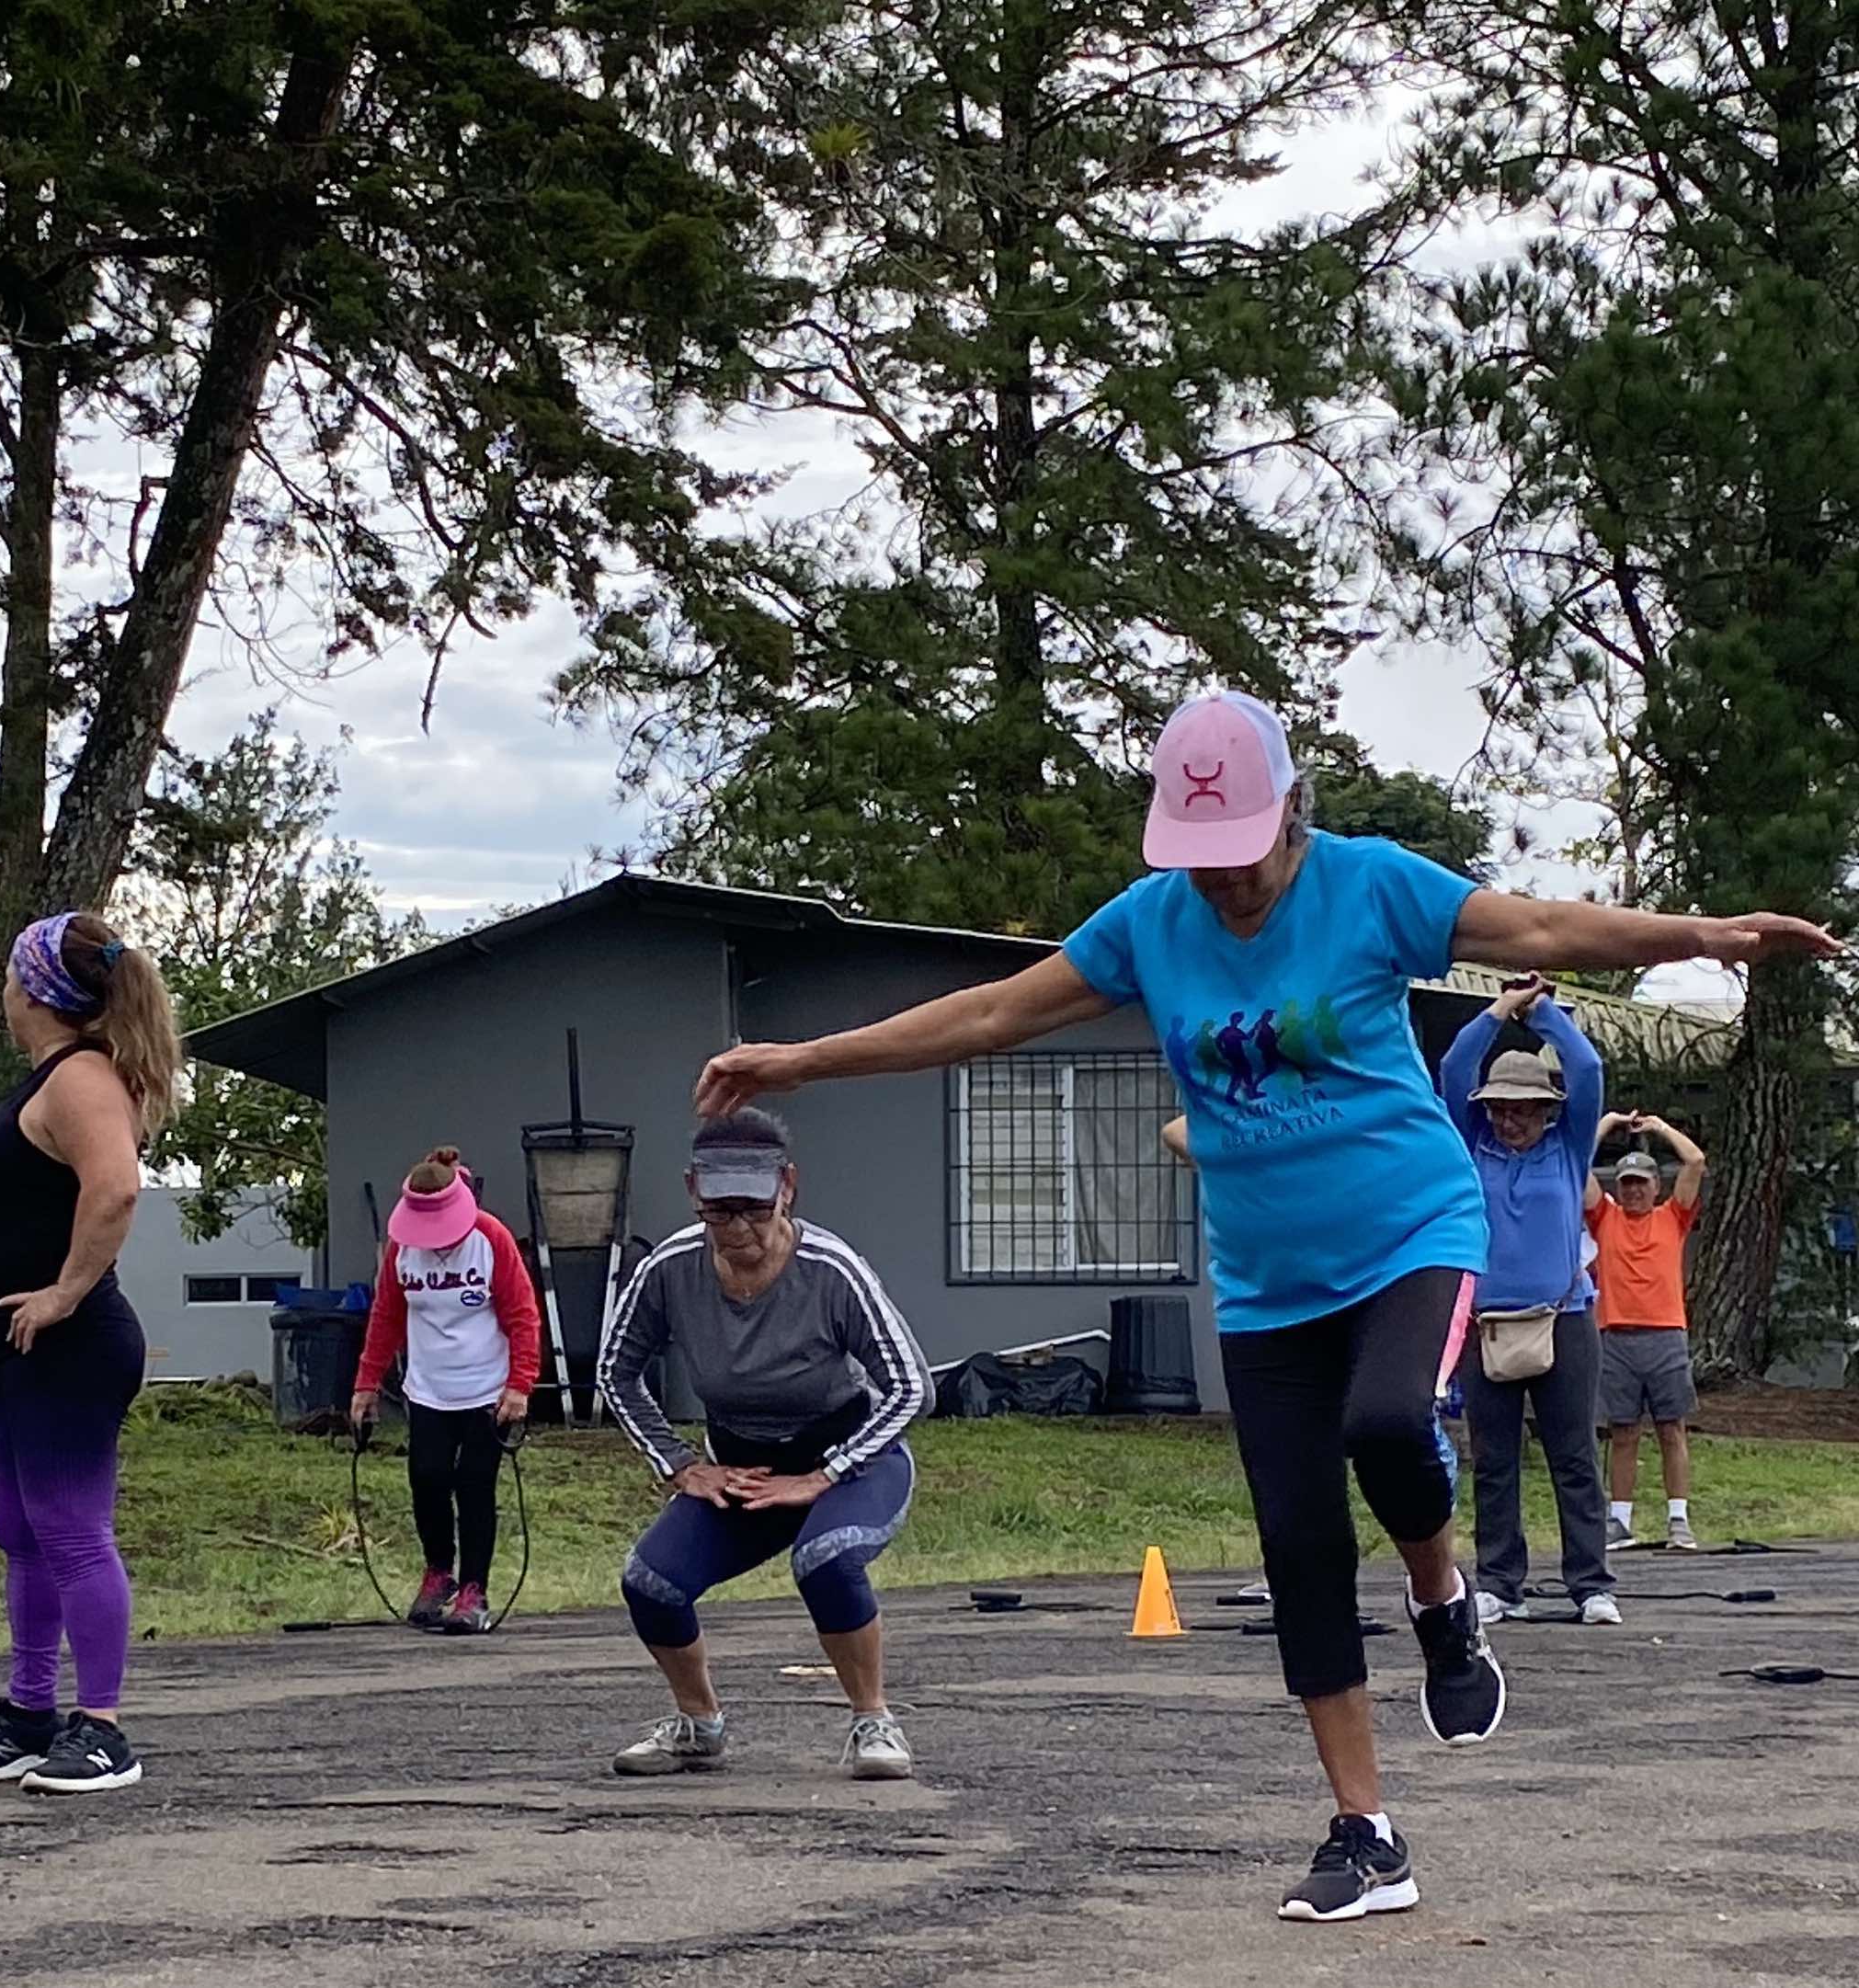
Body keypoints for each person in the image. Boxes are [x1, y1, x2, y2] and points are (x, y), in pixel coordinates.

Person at [693, 690, 1837, 1924]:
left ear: (1293, 811)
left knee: (1391, 1423)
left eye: (1243, 855)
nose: (1226, 886)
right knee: (1297, 1547)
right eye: (1200, 863)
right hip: (1267, 1281)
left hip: (1412, 1234)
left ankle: (1444, 1601)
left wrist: (1706, 933)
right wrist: (801, 1058)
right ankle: (1367, 1833)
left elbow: (1545, 924)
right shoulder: (1151, 925)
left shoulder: (1371, 886)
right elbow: (988, 1012)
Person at [0, 910, 182, 1796]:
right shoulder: (48, 1084)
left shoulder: (83, 1079)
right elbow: (14, 1188)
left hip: (74, 1345)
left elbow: (115, 1190)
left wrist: (64, 1291)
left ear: (32, 988)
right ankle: (28, 1716)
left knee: (69, 1531)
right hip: (21, 1355)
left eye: (10, 973)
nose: (3, 988)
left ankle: (101, 1729)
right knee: (19, 1530)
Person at [597, 1109, 931, 1784]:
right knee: (650, 1582)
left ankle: (874, 1720)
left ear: (788, 1188)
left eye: (753, 1208)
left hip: (849, 1458)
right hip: (745, 1468)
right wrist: (679, 1464)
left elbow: (910, 1388)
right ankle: (698, 1725)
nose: (739, 1229)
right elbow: (614, 1371)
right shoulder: (669, 1270)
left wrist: (825, 1474)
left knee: (827, 1558)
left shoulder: (831, 1270)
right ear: (694, 1192)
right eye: (720, 1213)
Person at [1439, 977, 1616, 1627]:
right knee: (1494, 1458)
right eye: (1501, 1108)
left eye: (1524, 1108)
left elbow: (1588, 1065)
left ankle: (1592, 1583)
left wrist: (1542, 1013)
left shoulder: (1569, 1150)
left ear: (1549, 1110)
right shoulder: (1469, 1147)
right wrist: (1496, 1012)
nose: (1510, 1119)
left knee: (1574, 1455)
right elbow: (1454, 1069)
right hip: (1487, 1324)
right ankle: (1500, 1581)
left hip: (1564, 1316)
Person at [348, 1148, 542, 1634]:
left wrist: (520, 1386)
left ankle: (475, 1591)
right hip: (428, 1389)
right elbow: (387, 1316)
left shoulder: (490, 1238)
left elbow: (523, 1315)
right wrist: (366, 1383)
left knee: (475, 1486)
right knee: (428, 1479)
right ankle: (439, 1572)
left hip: (486, 1391)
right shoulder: (401, 1249)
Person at [1589, 1115, 1707, 1549]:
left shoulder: (1672, 1216)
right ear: (1617, 1187)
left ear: (1656, 1185)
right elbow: (1573, 1164)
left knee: (1671, 1428)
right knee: (1623, 1432)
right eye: (1627, 1183)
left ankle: (1679, 1518)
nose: (1634, 1190)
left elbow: (1695, 1161)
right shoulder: (1604, 1217)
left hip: (1665, 1335)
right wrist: (1604, 1124)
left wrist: (1658, 1129)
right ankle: (1620, 1521)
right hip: (1617, 1336)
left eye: (1642, 1182)